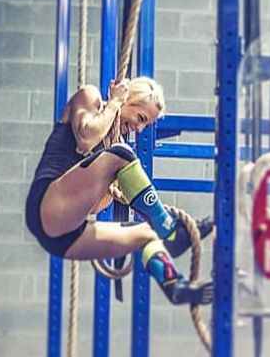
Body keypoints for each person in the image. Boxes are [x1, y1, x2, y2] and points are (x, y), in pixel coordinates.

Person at [25, 77, 213, 305]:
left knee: (146, 235)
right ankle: (169, 230)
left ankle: (176, 286)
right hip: (48, 204)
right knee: (122, 153)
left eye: (145, 125)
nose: (139, 128)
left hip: (61, 237)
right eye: (140, 118)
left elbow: (93, 207)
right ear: (127, 98)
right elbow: (85, 139)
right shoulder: (90, 97)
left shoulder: (108, 155)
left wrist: (111, 180)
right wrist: (114, 102)